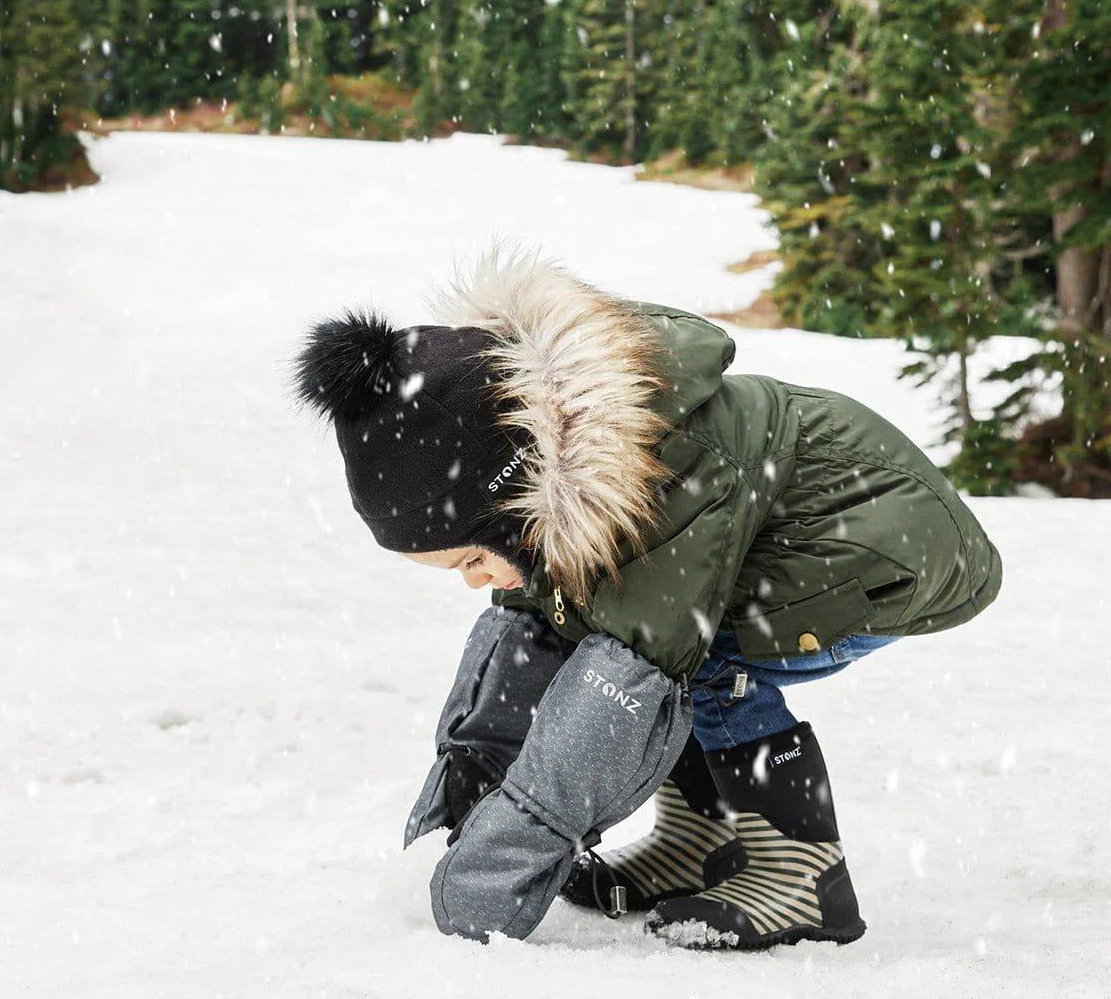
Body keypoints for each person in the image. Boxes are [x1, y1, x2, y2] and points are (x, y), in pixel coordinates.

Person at [292, 245, 1002, 951]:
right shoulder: (560, 478)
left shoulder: (661, 470)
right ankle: (698, 840)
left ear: (516, 495)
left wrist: (502, 868)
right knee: (638, 640)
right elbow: (530, 648)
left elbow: (626, 681)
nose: (474, 581)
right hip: (803, 542)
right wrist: (465, 801)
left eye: (473, 558)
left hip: (885, 546)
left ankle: (803, 875)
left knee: (684, 660)